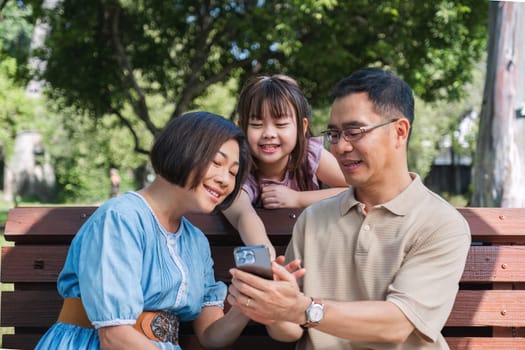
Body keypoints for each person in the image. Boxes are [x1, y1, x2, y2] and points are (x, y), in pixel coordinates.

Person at [227, 67, 471, 349]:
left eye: (354, 132)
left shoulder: (440, 223)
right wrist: (275, 305)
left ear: (399, 132)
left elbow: (397, 324)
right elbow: (288, 332)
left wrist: (302, 309)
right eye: (334, 133)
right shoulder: (313, 219)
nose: (340, 147)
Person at [35, 112, 252, 350]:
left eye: (233, 172)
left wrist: (248, 306)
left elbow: (211, 337)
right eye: (217, 163)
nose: (225, 180)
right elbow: (115, 337)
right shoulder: (121, 219)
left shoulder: (196, 242)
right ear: (184, 150)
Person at [222, 74, 347, 258]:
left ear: (302, 127)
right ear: (242, 128)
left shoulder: (310, 155)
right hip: (274, 262)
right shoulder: (240, 170)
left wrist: (298, 199)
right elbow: (242, 213)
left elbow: (358, 187)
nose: (269, 133)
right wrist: (266, 254)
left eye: (280, 124)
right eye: (257, 124)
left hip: (319, 256)